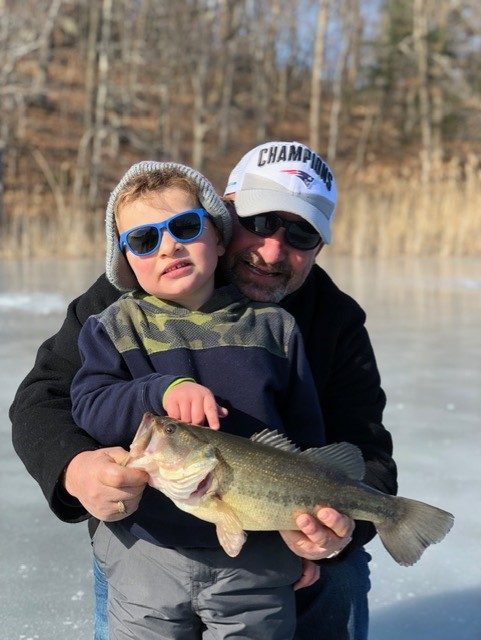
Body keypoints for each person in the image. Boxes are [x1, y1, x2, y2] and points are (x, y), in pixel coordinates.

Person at [10, 140, 397, 640]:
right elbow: (42, 397)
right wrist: (75, 469)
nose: (273, 251)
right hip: (150, 540)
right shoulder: (131, 296)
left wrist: (334, 536)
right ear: (223, 214)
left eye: (300, 233)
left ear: (320, 245)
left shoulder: (330, 321)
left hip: (270, 543)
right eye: (258, 222)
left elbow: (365, 449)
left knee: (339, 573)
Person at [70, 158, 328, 639]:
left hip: (257, 554)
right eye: (144, 240)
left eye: (184, 227)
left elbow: (304, 434)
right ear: (124, 258)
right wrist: (160, 391)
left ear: (217, 234)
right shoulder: (114, 326)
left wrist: (308, 531)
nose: (168, 246)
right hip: (148, 545)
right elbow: (89, 403)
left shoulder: (275, 327)